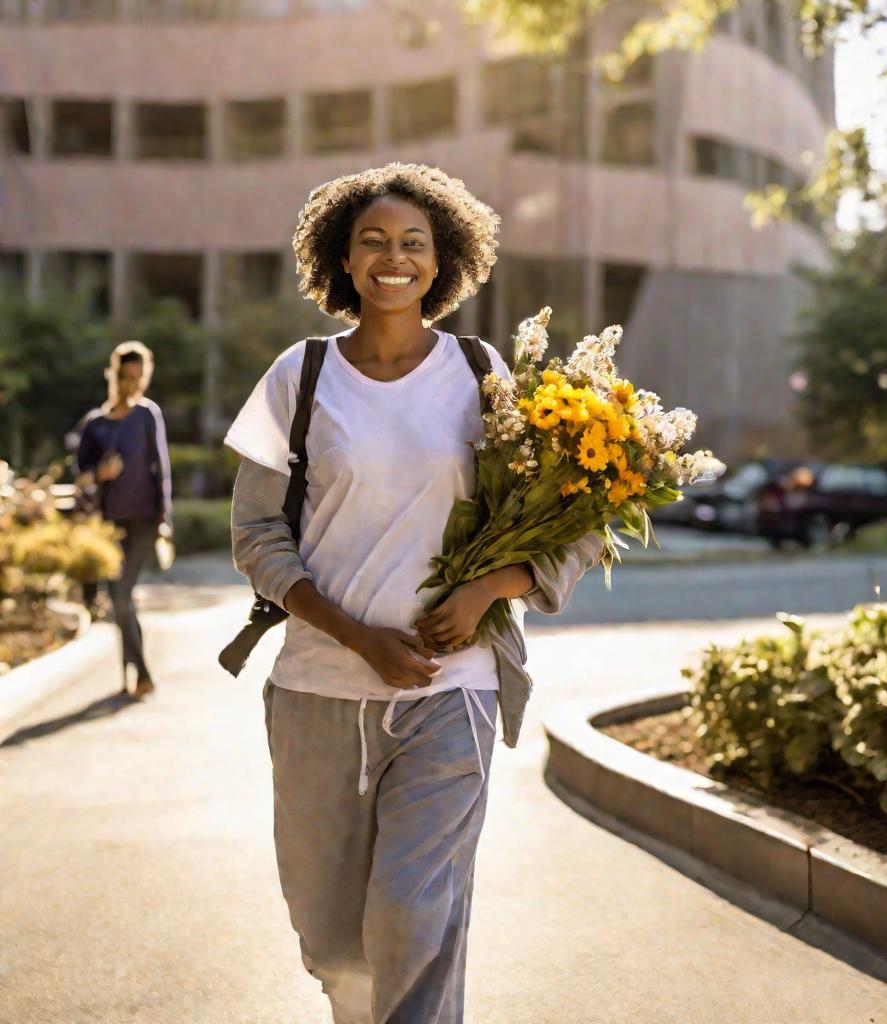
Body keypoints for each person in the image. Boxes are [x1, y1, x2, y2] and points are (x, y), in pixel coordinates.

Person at [226, 161, 604, 1024]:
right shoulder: (302, 375)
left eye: (413, 244)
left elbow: (580, 519)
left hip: (452, 695)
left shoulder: (482, 375)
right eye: (372, 243)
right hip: (318, 690)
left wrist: (490, 591)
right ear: (342, 260)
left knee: (411, 914)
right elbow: (255, 535)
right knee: (331, 942)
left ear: (443, 263)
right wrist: (358, 636)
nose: (393, 259)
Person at [75, 341, 173, 699]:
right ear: (113, 376)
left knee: (119, 594)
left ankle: (142, 673)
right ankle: (130, 673)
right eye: (125, 376)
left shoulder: (148, 415)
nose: (131, 384)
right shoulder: (96, 425)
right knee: (120, 599)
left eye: (137, 377)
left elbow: (162, 470)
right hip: (108, 523)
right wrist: (100, 473)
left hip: (145, 520)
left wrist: (166, 520)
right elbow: (81, 474)